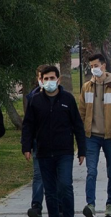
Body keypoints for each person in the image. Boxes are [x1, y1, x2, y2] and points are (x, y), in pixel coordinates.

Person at [22, 65, 86, 217]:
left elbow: (77, 125)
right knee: (50, 191)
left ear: (58, 79)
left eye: (52, 78)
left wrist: (81, 150)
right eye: (46, 79)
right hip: (44, 152)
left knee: (65, 186)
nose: (49, 81)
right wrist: (26, 147)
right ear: (41, 80)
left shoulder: (68, 99)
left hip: (64, 152)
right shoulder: (35, 100)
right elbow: (28, 125)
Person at [79, 54, 111, 217]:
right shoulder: (86, 87)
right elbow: (82, 111)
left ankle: (110, 204)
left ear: (104, 66)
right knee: (91, 171)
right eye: (91, 66)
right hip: (91, 136)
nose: (94, 69)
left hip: (110, 137)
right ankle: (90, 204)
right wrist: (81, 134)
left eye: (96, 65)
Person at [25, 64, 47, 217]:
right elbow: (28, 123)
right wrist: (26, 145)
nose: (43, 80)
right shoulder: (32, 96)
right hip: (37, 142)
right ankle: (36, 205)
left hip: (55, 143)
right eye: (40, 77)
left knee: (57, 175)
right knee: (38, 174)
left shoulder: (62, 96)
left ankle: (59, 204)